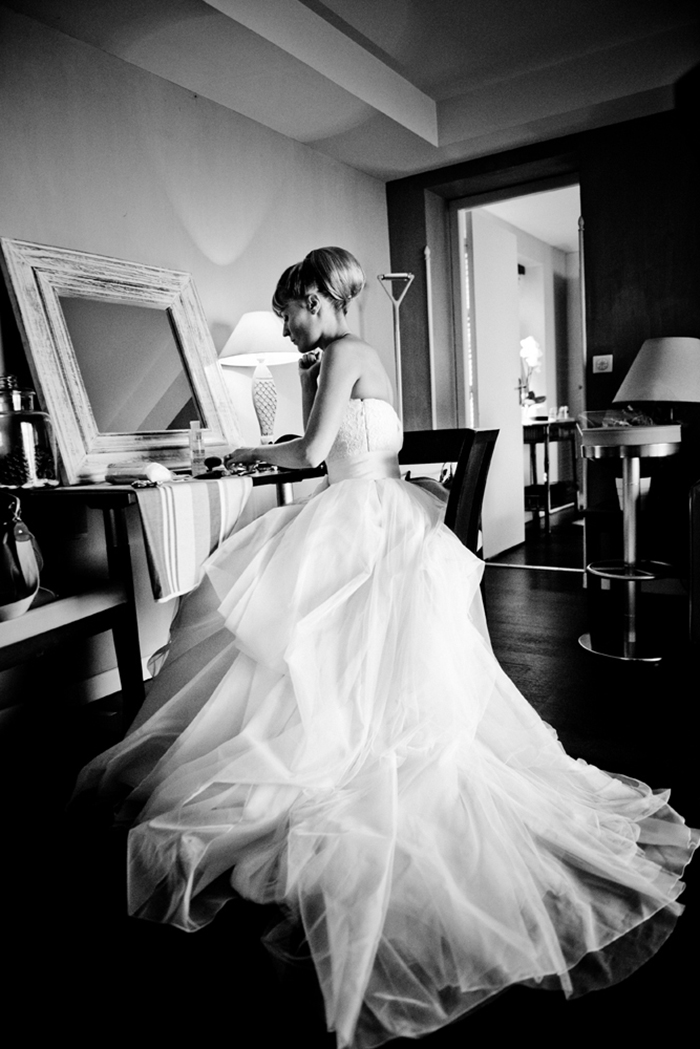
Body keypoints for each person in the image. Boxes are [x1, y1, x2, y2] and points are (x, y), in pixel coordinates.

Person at [75, 247, 696, 1049]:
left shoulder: (337, 353)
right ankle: (365, 742)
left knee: (291, 630)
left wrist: (240, 454)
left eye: (290, 308)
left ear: (315, 299)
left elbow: (309, 453)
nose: (289, 323)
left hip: (358, 515)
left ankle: (342, 753)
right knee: (348, 653)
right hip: (385, 512)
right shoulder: (354, 355)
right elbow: (362, 448)